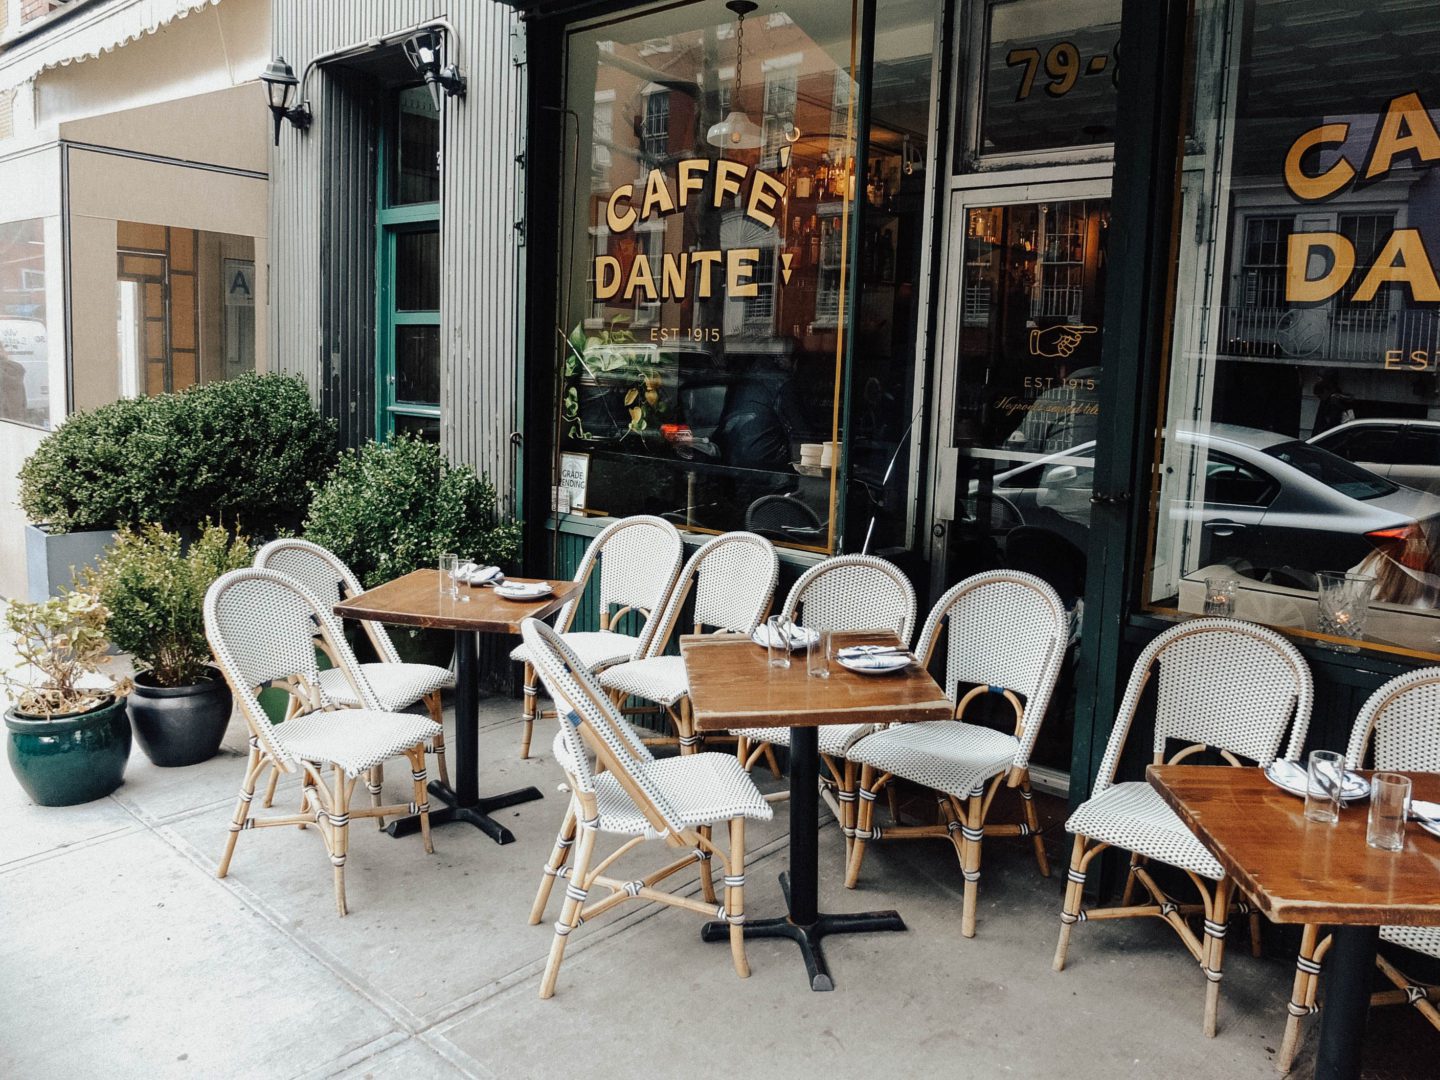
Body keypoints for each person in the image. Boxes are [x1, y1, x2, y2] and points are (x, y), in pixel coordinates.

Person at [1312, 371, 1355, 436]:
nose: (1320, 398)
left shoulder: (1333, 400)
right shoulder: (1335, 396)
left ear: (1325, 391)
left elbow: (1333, 420)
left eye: (1320, 396)